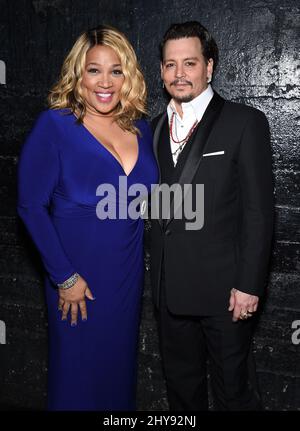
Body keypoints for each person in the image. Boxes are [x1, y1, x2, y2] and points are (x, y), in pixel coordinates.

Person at [17, 25, 158, 411]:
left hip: (125, 279)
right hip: (74, 280)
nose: (105, 82)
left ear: (128, 75)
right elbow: (30, 207)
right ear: (77, 74)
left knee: (117, 377)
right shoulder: (56, 125)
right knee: (76, 380)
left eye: (116, 70)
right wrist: (64, 276)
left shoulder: (141, 129)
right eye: (94, 69)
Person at [150, 21, 274, 410]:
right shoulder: (152, 130)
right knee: (181, 392)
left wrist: (249, 285)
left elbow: (259, 211)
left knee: (233, 393)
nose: (179, 74)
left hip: (226, 293)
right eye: (170, 65)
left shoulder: (244, 122)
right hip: (168, 290)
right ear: (161, 71)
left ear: (209, 67)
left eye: (189, 63)